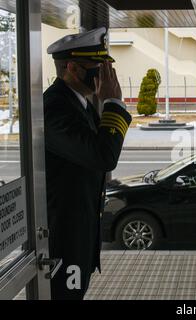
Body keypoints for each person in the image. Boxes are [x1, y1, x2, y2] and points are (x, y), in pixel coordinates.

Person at [44, 27, 132, 299]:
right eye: (96, 66)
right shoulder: (55, 107)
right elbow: (104, 156)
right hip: (63, 238)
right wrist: (113, 102)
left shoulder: (78, 103)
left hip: (78, 233)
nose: (104, 74)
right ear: (72, 67)